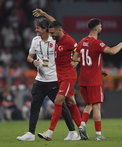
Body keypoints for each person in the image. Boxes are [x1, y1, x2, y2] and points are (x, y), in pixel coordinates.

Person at [16, 17, 80, 141]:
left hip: (54, 79)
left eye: (38, 28)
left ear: (45, 29)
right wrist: (33, 61)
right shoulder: (35, 40)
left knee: (61, 106)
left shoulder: (55, 39)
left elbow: (62, 33)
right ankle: (30, 133)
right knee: (34, 106)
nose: (36, 30)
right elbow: (29, 57)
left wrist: (75, 61)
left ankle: (72, 132)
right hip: (40, 79)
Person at [32, 9, 88, 141]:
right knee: (70, 102)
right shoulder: (57, 35)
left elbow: (81, 51)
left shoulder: (69, 41)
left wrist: (77, 60)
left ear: (60, 31)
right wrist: (44, 14)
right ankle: (82, 131)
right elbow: (54, 23)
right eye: (50, 33)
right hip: (60, 76)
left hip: (68, 76)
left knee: (58, 101)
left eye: (52, 33)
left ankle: (49, 132)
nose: (51, 36)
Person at [72, 18, 122, 140]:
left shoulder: (82, 41)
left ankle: (82, 125)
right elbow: (112, 51)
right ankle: (98, 135)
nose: (102, 28)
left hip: (83, 80)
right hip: (94, 80)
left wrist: (96, 68)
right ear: (97, 28)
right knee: (97, 107)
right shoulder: (97, 43)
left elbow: (75, 58)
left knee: (89, 105)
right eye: (101, 27)